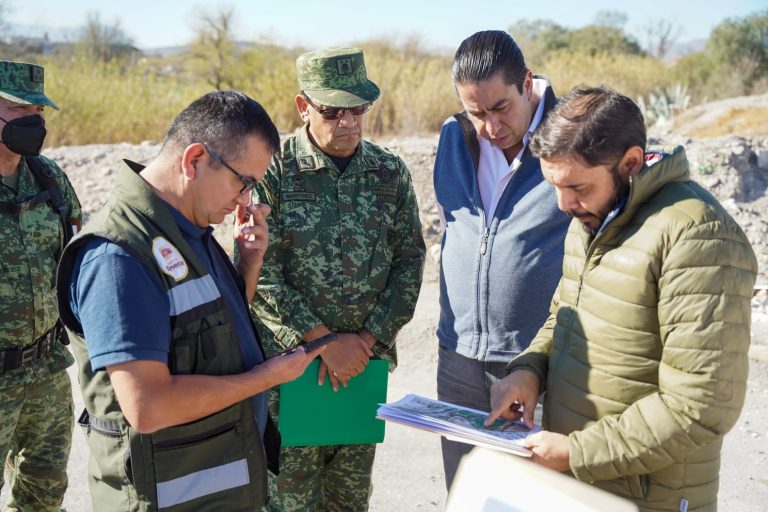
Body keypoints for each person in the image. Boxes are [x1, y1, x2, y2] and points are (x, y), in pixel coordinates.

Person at [487, 86, 757, 512]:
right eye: (553, 186)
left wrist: (578, 453)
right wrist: (529, 369)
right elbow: (567, 313)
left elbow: (701, 405)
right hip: (583, 483)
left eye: (576, 186)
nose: (564, 205)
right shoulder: (596, 212)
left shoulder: (699, 237)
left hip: (648, 496)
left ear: (630, 163)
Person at [55, 90, 324, 512]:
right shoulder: (119, 256)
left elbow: (209, 334)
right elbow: (147, 406)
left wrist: (247, 266)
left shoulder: (184, 229)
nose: (246, 201)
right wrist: (267, 377)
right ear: (195, 159)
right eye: (244, 182)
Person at [249, 47, 425, 511]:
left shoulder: (389, 173)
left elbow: (410, 261)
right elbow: (258, 272)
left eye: (358, 110)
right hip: (292, 373)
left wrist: (367, 340)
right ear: (303, 106)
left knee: (349, 501)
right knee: (287, 500)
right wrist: (322, 342)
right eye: (332, 112)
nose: (348, 123)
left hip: (362, 371)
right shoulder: (274, 172)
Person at [433, 30, 570, 488]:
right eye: (476, 113)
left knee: (533, 495)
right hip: (458, 359)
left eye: (500, 108)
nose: (490, 127)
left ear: (527, 83)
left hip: (537, 363)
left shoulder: (572, 137)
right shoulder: (453, 137)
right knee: (468, 491)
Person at [0, 60, 81, 511]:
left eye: (39, 109)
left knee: (44, 493)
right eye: (18, 108)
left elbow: (76, 257)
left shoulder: (48, 178)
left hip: (46, 369)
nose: (34, 120)